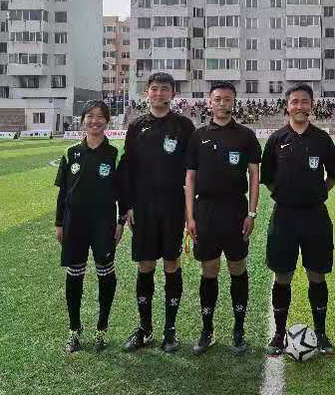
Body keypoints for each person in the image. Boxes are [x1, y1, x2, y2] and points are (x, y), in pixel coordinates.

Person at [260, 83, 335, 356]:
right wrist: (283, 194)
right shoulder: (276, 139)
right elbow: (267, 177)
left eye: (304, 101)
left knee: (317, 274)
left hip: (315, 215)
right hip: (284, 216)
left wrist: (320, 192)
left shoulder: (322, 139)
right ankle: (278, 334)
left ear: (311, 105)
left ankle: (321, 333)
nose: (299, 106)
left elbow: (334, 173)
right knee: (282, 275)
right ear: (287, 106)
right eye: (294, 101)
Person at [119, 72, 195, 353]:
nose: (159, 93)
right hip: (143, 207)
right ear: (147, 93)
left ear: (173, 93)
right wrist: (127, 206)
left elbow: (192, 171)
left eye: (164, 89)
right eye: (154, 89)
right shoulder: (136, 126)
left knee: (171, 264)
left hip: (173, 206)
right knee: (145, 265)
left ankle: (170, 330)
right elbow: (127, 168)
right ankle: (145, 328)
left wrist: (190, 210)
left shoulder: (184, 126)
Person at [185, 82, 261, 355]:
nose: (222, 103)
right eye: (217, 99)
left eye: (227, 99)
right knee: (209, 270)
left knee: (237, 267)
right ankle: (207, 329)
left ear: (234, 102)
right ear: (209, 102)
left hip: (235, 210)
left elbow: (255, 175)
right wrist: (190, 217)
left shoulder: (245, 136)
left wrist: (251, 212)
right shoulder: (198, 136)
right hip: (205, 210)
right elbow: (190, 178)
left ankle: (239, 329)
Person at [54, 100, 126, 353]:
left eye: (100, 116)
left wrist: (121, 222)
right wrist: (59, 223)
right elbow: (63, 192)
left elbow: (123, 192)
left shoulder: (115, 153)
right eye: (90, 116)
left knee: (106, 274)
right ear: (83, 119)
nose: (95, 121)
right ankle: (74, 330)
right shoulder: (70, 152)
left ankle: (101, 329)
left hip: (103, 224)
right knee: (75, 275)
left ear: (107, 121)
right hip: (74, 224)